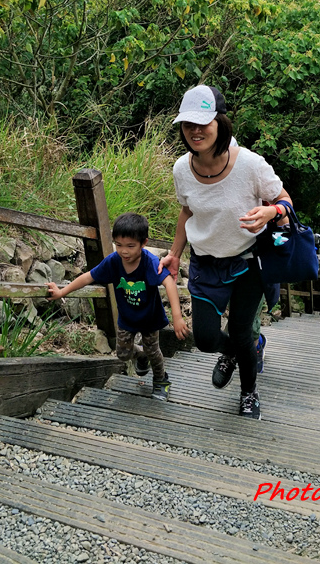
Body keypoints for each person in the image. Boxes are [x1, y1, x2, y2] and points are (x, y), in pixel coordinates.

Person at [158, 84, 293, 420]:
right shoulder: (181, 169)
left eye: (203, 123)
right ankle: (239, 351)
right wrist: (175, 254)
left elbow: (287, 202)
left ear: (220, 122)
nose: (195, 131)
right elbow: (186, 212)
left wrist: (270, 212)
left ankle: (249, 394)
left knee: (240, 330)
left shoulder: (250, 164)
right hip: (206, 263)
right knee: (204, 338)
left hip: (249, 263)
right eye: (188, 125)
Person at [47, 212, 189, 401]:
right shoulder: (113, 261)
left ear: (143, 243)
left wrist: (177, 317)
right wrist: (62, 292)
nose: (124, 251)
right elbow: (89, 276)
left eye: (130, 246)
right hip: (127, 318)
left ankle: (161, 379)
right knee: (122, 354)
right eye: (119, 245)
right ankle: (140, 356)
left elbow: (169, 283)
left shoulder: (150, 262)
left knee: (153, 350)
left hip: (150, 318)